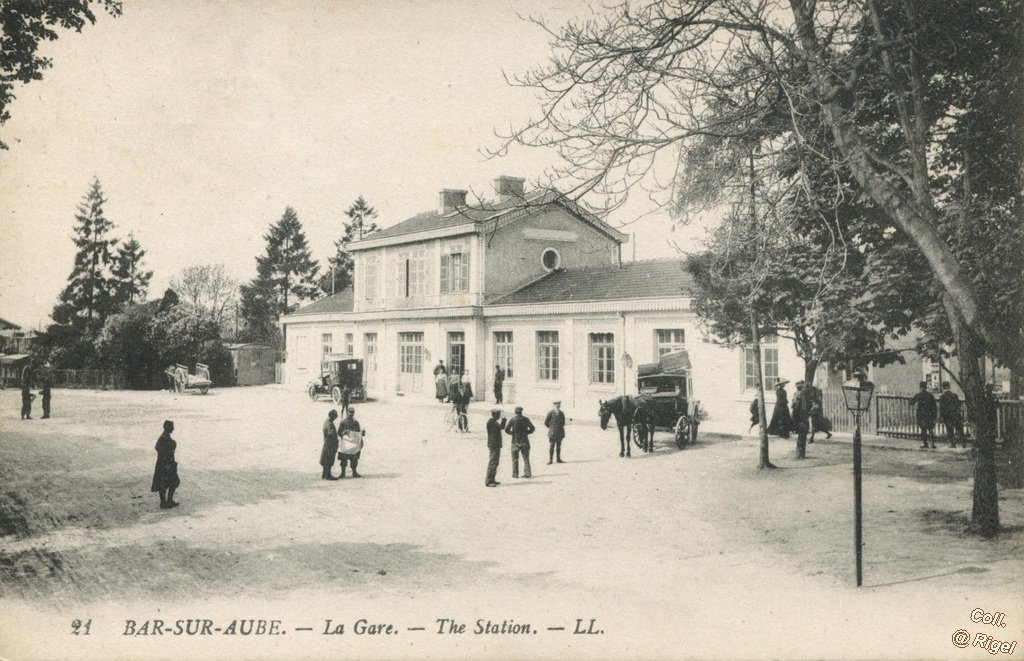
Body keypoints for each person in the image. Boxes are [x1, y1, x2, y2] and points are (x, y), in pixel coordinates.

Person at [151, 420, 181, 509]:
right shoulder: (163, 438)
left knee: (170, 482)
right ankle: (165, 502)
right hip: (165, 464)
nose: (173, 428)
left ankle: (167, 501)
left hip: (165, 463)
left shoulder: (164, 437)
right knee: (167, 482)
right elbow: (158, 448)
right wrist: (166, 463)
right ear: (168, 427)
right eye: (172, 427)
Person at [504, 406, 535, 478]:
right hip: (525, 441)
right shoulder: (526, 419)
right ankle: (528, 473)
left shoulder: (512, 420)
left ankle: (515, 474)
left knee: (515, 458)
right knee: (526, 458)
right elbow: (532, 428)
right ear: (521, 412)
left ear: (515, 412)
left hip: (515, 441)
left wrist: (512, 433)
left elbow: (506, 429)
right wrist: (526, 432)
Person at [337, 407, 365, 478]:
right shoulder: (343, 422)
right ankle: (343, 473)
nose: (351, 414)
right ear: (347, 413)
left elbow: (358, 433)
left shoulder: (356, 422)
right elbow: (339, 432)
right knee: (343, 459)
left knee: (354, 459)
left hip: (354, 444)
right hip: (345, 443)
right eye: (350, 412)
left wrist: (362, 434)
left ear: (354, 413)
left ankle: (354, 472)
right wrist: (344, 433)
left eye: (352, 412)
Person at [909, 381, 938, 448]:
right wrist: (934, 415)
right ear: (926, 387)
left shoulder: (918, 395)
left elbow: (911, 402)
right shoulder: (930, 395)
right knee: (930, 429)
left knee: (923, 429)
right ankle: (933, 444)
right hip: (929, 415)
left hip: (921, 415)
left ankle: (925, 443)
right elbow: (934, 406)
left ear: (920, 387)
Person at [938, 382, 964, 448]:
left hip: (948, 415)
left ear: (943, 387)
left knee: (950, 430)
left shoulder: (942, 397)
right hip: (956, 414)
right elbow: (958, 405)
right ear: (949, 387)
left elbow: (942, 408)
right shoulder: (954, 395)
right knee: (959, 428)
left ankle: (953, 443)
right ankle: (963, 443)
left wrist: (940, 416)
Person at [485, 408, 506, 487]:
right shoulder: (492, 423)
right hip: (494, 445)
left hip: (494, 445)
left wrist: (504, 419)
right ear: (495, 415)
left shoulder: (492, 422)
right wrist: (504, 419)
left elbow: (501, 427)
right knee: (493, 462)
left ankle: (492, 479)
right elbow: (501, 427)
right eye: (498, 415)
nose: (499, 417)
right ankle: (489, 481)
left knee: (495, 462)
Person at [791, 381, 812, 457]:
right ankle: (797, 429)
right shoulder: (800, 394)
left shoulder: (798, 393)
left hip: (798, 408)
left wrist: (794, 406)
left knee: (797, 419)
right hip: (799, 408)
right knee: (798, 419)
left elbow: (795, 401)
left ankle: (797, 429)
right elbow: (795, 401)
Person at [320, 409, 340, 480]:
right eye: (335, 416)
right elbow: (330, 434)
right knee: (329, 459)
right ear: (331, 416)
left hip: (327, 443)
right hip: (330, 444)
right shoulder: (329, 424)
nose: (335, 418)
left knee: (326, 459)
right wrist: (335, 441)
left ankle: (324, 474)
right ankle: (328, 475)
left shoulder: (327, 422)